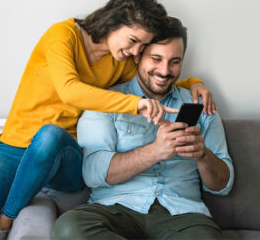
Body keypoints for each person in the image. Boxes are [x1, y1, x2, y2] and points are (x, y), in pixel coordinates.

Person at [0, 0, 217, 240]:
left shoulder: (120, 62)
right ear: (114, 22)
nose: (135, 52)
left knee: (49, 137)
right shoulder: (63, 35)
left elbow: (156, 77)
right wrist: (134, 104)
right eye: (134, 41)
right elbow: (70, 90)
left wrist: (194, 82)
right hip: (15, 145)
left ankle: (5, 221)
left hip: (63, 154)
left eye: (142, 46)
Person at [53, 16, 234, 240]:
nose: (164, 70)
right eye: (156, 58)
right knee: (69, 228)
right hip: (115, 212)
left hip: (184, 218)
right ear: (138, 56)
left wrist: (203, 155)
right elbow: (92, 173)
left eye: (174, 61)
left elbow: (223, 185)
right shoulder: (106, 101)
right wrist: (155, 151)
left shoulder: (202, 105)